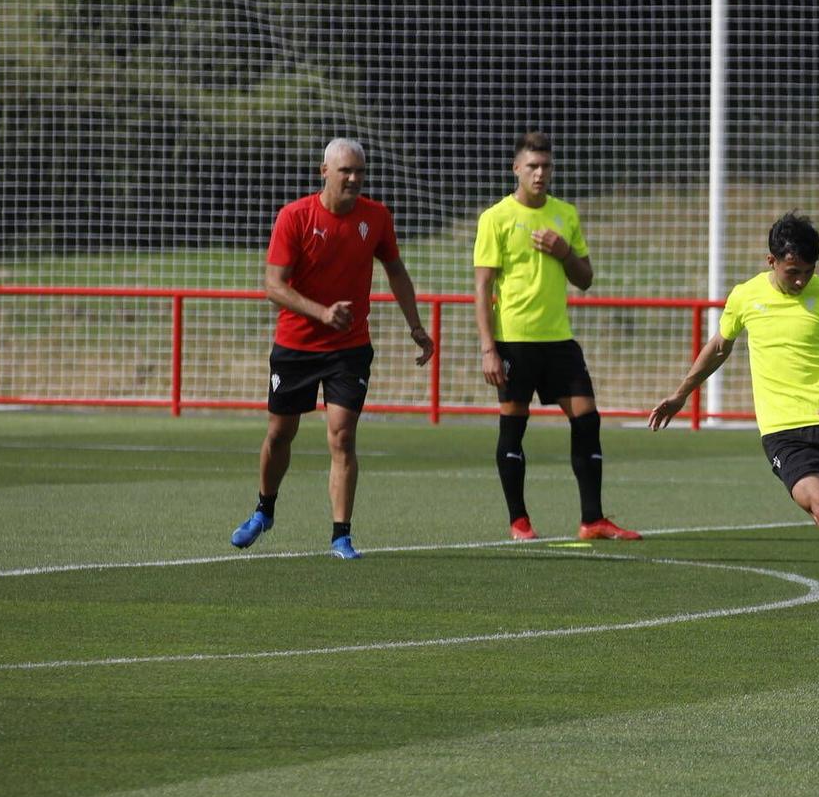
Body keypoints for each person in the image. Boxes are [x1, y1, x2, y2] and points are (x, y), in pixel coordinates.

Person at [647, 211, 819, 621]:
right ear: (771, 261)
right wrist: (681, 394)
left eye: (808, 271)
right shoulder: (746, 297)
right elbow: (719, 346)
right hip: (784, 432)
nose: (801, 280)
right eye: (793, 272)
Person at [229, 138, 434, 560]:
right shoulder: (295, 217)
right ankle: (264, 509)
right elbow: (273, 286)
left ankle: (341, 535)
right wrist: (322, 313)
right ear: (324, 172)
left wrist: (415, 325)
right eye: (346, 171)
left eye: (361, 171)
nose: (355, 178)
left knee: (342, 437)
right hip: (296, 346)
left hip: (349, 348)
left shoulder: (376, 217)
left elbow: (396, 270)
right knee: (279, 434)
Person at [473, 131, 638, 542]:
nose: (540, 173)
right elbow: (482, 288)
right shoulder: (495, 218)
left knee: (587, 419)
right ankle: (519, 521)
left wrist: (564, 251)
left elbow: (585, 279)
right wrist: (488, 348)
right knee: (513, 427)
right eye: (532, 166)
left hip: (559, 340)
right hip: (514, 340)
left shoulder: (565, 214)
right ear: (517, 169)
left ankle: (592, 520)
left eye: (546, 166)